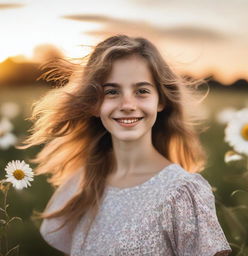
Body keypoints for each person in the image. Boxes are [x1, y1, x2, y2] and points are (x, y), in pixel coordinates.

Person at [21, 34, 232, 255]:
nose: (128, 105)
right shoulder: (83, 183)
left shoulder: (182, 192)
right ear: (94, 104)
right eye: (112, 92)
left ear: (160, 101)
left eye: (141, 91)